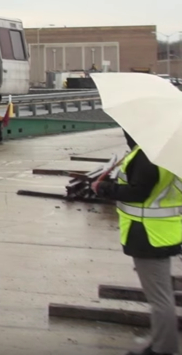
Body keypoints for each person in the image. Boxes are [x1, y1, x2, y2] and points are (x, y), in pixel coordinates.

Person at [93, 131, 181, 355]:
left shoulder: (147, 156)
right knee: (161, 294)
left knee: (160, 298)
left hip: (147, 234)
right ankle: (162, 344)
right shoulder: (164, 154)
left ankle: (163, 349)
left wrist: (104, 188)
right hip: (161, 233)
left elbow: (139, 192)